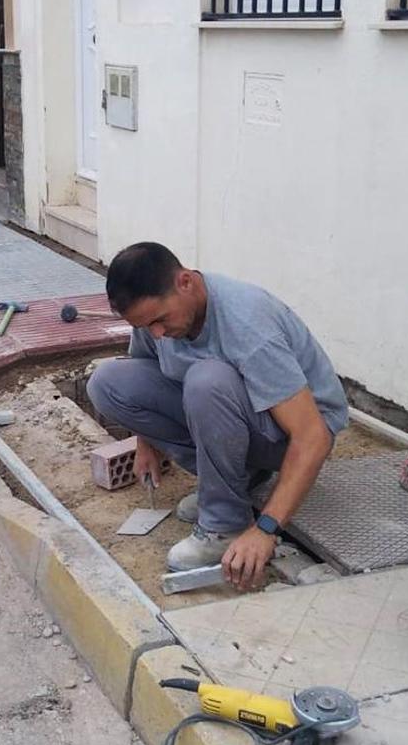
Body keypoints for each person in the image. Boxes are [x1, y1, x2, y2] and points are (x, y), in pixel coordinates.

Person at [86, 243, 348, 590]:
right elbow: (146, 367)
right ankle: (232, 483)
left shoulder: (247, 324)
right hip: (244, 415)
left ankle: (225, 523)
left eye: (160, 320)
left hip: (294, 434)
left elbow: (313, 436)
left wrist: (266, 529)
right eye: (146, 326)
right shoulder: (156, 322)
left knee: (207, 381)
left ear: (185, 283)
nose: (158, 334)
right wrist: (145, 441)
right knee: (107, 383)